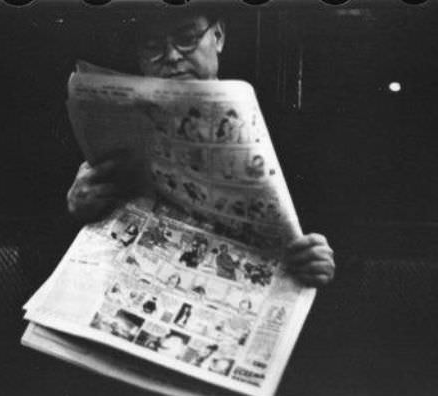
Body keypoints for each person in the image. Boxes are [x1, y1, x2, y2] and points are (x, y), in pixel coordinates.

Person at [66, 9, 335, 288]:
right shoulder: (109, 118)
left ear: (218, 36)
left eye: (186, 38)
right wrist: (77, 207)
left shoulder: (281, 130)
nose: (171, 56)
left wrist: (317, 256)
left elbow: (320, 238)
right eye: (153, 46)